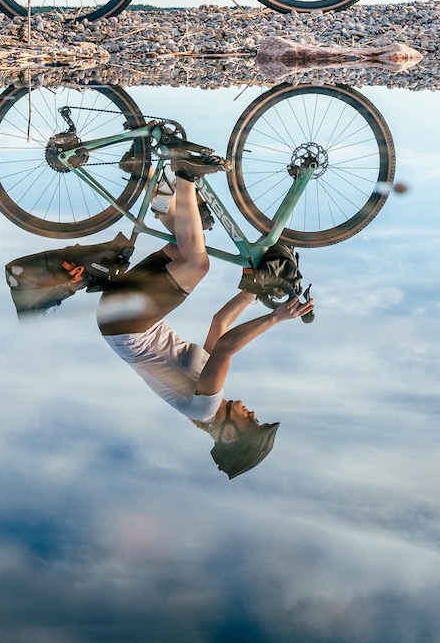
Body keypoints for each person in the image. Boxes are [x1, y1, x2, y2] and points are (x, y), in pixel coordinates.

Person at [79, 143, 310, 478]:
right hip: (124, 319)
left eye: (253, 423)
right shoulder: (202, 396)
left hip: (128, 325)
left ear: (230, 434)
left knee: (196, 263)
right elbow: (221, 323)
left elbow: (228, 347)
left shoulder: (205, 407)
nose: (254, 413)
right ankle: (145, 178)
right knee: (189, 238)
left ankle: (184, 171)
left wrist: (277, 316)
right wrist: (250, 293)